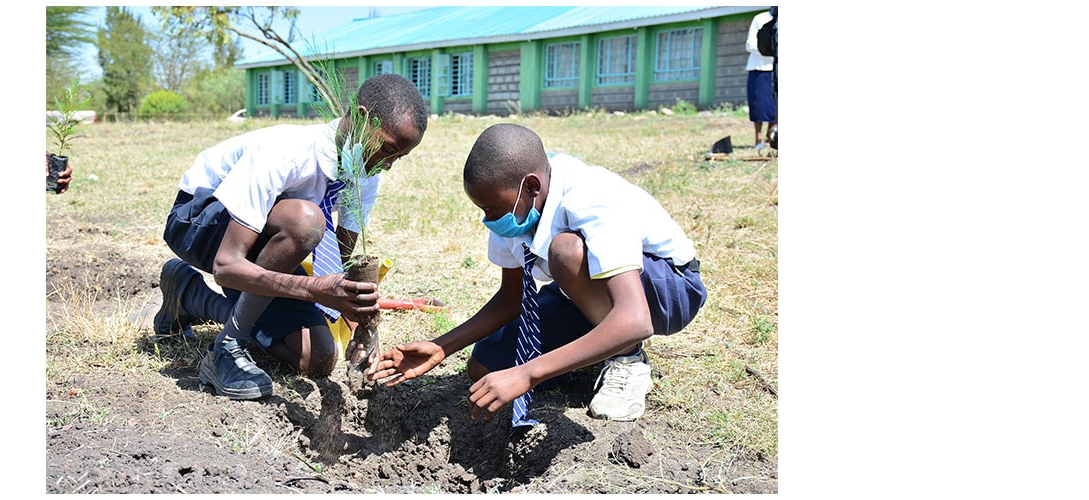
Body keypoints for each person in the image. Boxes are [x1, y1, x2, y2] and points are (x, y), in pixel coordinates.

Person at [366, 124, 706, 424]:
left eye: (493, 209)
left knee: (566, 252)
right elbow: (511, 298)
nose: (490, 219)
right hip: (585, 291)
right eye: (483, 209)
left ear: (531, 186)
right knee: (485, 368)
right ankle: (593, 348)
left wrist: (527, 374)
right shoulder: (512, 202)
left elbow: (636, 319)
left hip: (664, 289)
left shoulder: (590, 198)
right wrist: (441, 348)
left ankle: (626, 357)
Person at [156, 73, 429, 400]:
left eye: (398, 157)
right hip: (200, 221)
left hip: (266, 243)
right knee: (306, 222)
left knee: (317, 356)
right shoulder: (286, 152)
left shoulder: (364, 169)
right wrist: (316, 289)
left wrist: (362, 327)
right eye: (387, 149)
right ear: (359, 117)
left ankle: (187, 295)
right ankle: (226, 350)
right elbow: (227, 266)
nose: (387, 165)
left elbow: (344, 263)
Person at [746, 7, 777, 149]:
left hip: (778, 70)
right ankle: (758, 139)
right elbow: (750, 44)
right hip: (760, 68)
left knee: (775, 106)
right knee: (759, 105)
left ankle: (770, 138)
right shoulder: (760, 19)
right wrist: (771, 52)